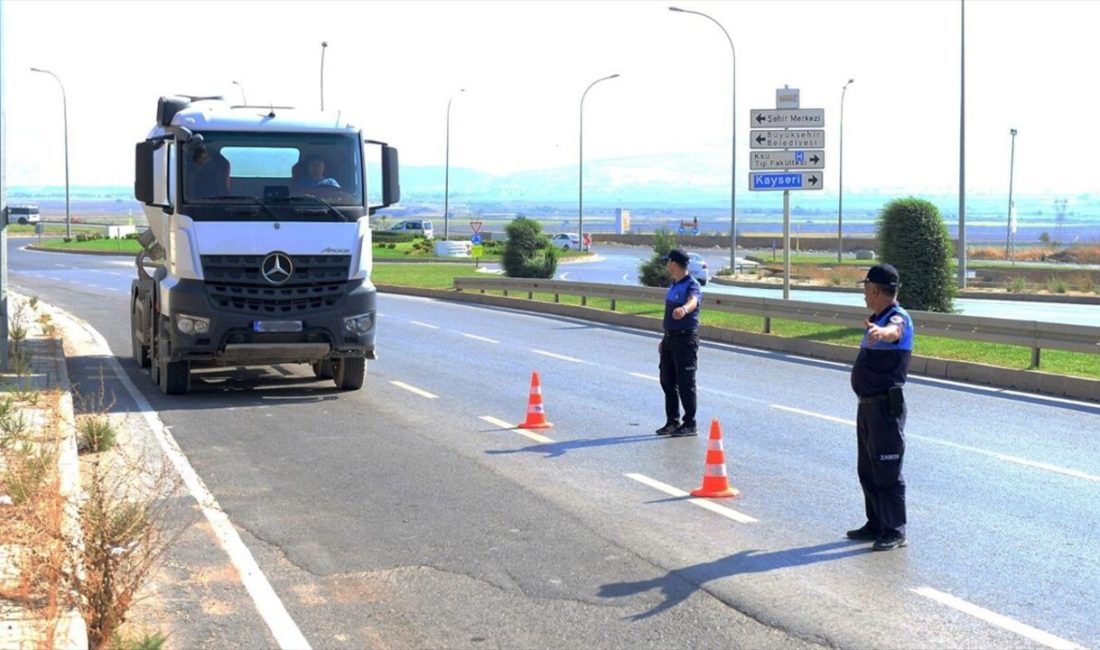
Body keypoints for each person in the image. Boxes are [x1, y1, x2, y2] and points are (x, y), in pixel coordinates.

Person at [847, 263, 914, 551]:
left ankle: (895, 530)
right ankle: (876, 522)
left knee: (887, 469)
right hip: (867, 407)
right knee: (868, 468)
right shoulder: (878, 317)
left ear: (875, 290)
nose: (864, 295)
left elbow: (894, 332)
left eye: (866, 289)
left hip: (885, 407)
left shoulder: (896, 318)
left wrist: (881, 333)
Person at [655, 248, 703, 438]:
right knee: (667, 381)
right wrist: (664, 339)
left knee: (685, 383)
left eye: (668, 262)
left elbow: (693, 301)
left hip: (685, 339)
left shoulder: (692, 285)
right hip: (670, 338)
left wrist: (684, 310)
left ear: (674, 264)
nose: (667, 265)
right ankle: (672, 421)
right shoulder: (674, 284)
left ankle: (690, 423)